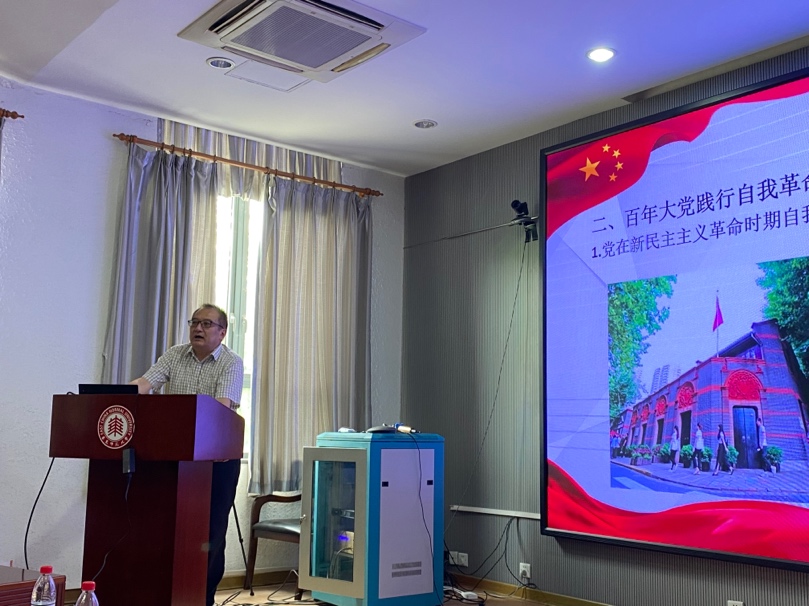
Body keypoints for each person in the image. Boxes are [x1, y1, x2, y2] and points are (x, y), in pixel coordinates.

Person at [130, 304, 244, 606]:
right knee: (170, 525)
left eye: (206, 324)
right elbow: (144, 384)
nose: (198, 328)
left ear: (222, 332)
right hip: (176, 456)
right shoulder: (175, 354)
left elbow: (221, 409)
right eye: (194, 322)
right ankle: (169, 594)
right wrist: (115, 395)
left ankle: (203, 598)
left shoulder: (231, 362)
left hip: (217, 460)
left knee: (210, 531)